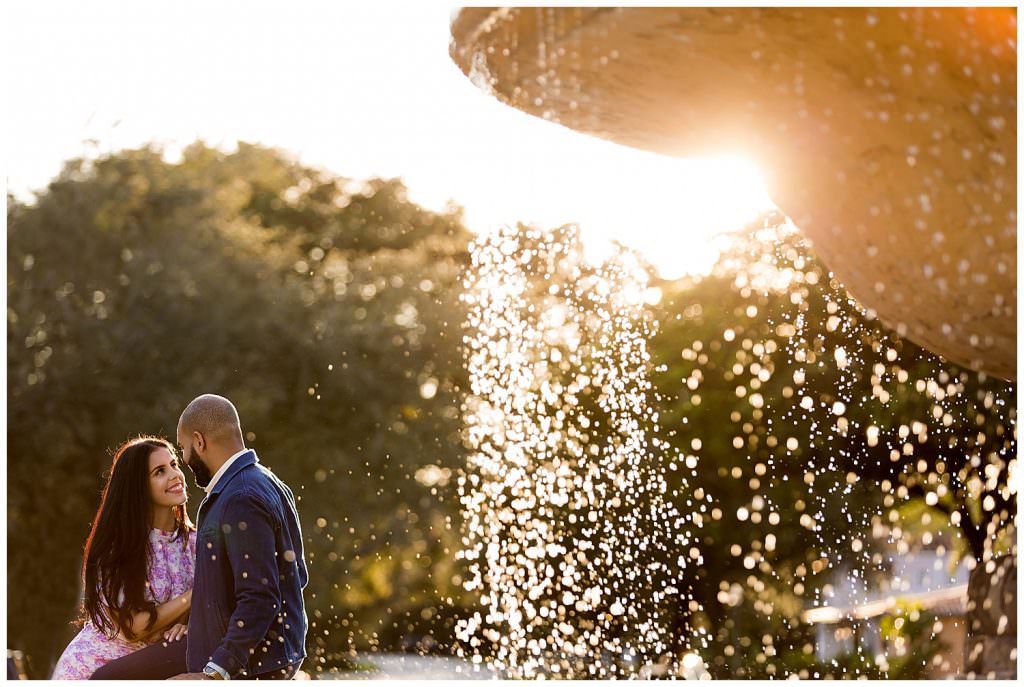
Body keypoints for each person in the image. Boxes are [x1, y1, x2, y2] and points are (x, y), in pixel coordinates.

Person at [94, 394, 309, 680]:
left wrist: (215, 672)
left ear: (199, 441)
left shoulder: (239, 497)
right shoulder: (268, 482)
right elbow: (297, 575)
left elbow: (260, 596)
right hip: (267, 655)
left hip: (252, 664)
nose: (184, 460)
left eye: (182, 449)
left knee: (104, 680)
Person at [51, 437, 196, 679]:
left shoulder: (195, 543)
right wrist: (193, 595)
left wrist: (191, 625)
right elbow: (133, 627)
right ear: (138, 486)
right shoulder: (117, 547)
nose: (175, 475)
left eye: (174, 464)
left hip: (155, 668)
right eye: (160, 471)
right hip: (92, 669)